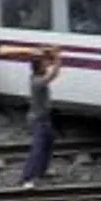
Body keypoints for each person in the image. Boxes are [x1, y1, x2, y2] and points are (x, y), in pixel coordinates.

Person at [19, 49, 63, 189]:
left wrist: (49, 55)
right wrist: (57, 58)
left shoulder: (35, 75)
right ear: (39, 67)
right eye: (44, 64)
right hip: (38, 120)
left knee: (48, 145)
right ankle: (27, 178)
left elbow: (48, 66)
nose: (47, 66)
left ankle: (42, 171)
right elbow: (54, 74)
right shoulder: (38, 82)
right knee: (37, 149)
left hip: (45, 118)